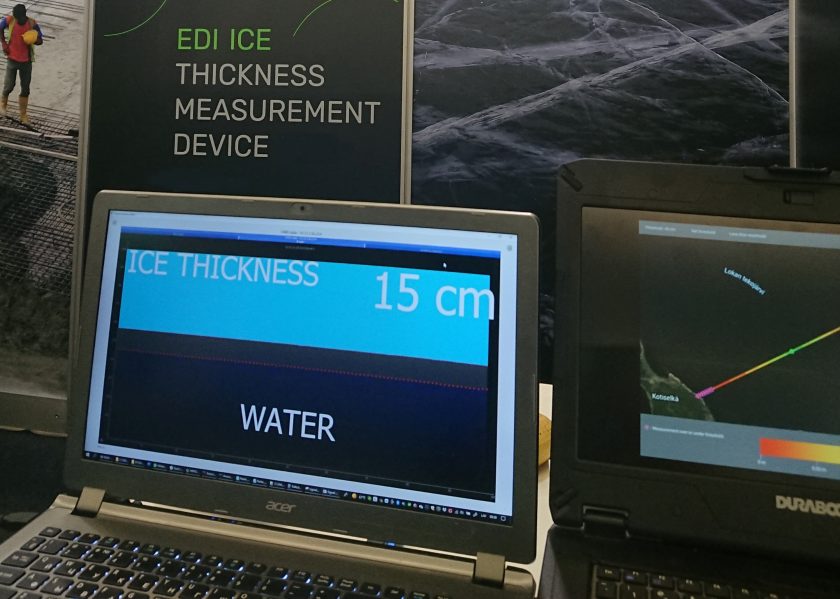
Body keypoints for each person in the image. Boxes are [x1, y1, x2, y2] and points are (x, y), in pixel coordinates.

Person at [0, 4, 42, 124]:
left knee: (25, 89)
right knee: (9, 86)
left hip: (26, 61)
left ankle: (23, 115)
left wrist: (34, 39)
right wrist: (4, 43)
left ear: (24, 16)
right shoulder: (10, 20)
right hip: (12, 59)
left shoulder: (32, 24)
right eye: (16, 18)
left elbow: (40, 40)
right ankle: (2, 105)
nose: (17, 20)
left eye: (19, 18)